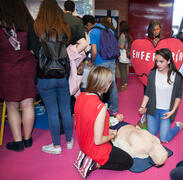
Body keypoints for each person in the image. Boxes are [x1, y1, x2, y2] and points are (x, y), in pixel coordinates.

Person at [30, 0, 86, 154]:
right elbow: (82, 43)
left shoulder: (35, 27)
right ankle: (68, 141)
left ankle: (56, 146)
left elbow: (33, 51)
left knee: (53, 112)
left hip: (44, 76)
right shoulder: (65, 28)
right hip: (62, 74)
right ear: (58, 10)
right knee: (66, 110)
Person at [74, 66, 133, 173]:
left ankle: (87, 156)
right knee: (129, 161)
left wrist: (107, 131)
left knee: (113, 145)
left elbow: (84, 123)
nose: (110, 85)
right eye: (110, 83)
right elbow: (98, 140)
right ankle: (95, 163)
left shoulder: (80, 96)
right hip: (95, 149)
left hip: (83, 144)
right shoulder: (100, 107)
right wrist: (112, 135)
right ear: (105, 85)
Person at [0, 0, 37, 151]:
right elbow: (35, 47)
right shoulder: (28, 22)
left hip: (7, 69)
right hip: (27, 68)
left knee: (11, 105)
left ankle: (17, 142)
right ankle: (27, 139)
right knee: (28, 104)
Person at [138, 48, 183, 143]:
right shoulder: (152, 73)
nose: (158, 64)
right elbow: (148, 93)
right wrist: (142, 107)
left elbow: (178, 96)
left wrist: (172, 111)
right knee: (151, 136)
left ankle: (178, 126)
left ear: (168, 61)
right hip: (152, 109)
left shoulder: (177, 77)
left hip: (167, 111)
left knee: (164, 139)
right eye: (156, 61)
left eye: (161, 61)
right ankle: (158, 123)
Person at [89, 17, 119, 115]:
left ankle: (99, 107)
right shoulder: (110, 30)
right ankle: (114, 109)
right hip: (112, 60)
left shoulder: (93, 32)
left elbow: (94, 51)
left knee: (99, 85)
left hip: (100, 61)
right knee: (112, 84)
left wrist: (91, 61)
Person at [118, 21, 133, 92]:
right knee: (125, 70)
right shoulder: (128, 35)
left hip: (122, 55)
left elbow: (121, 46)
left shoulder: (122, 35)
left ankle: (123, 85)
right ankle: (125, 83)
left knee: (122, 70)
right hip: (127, 55)